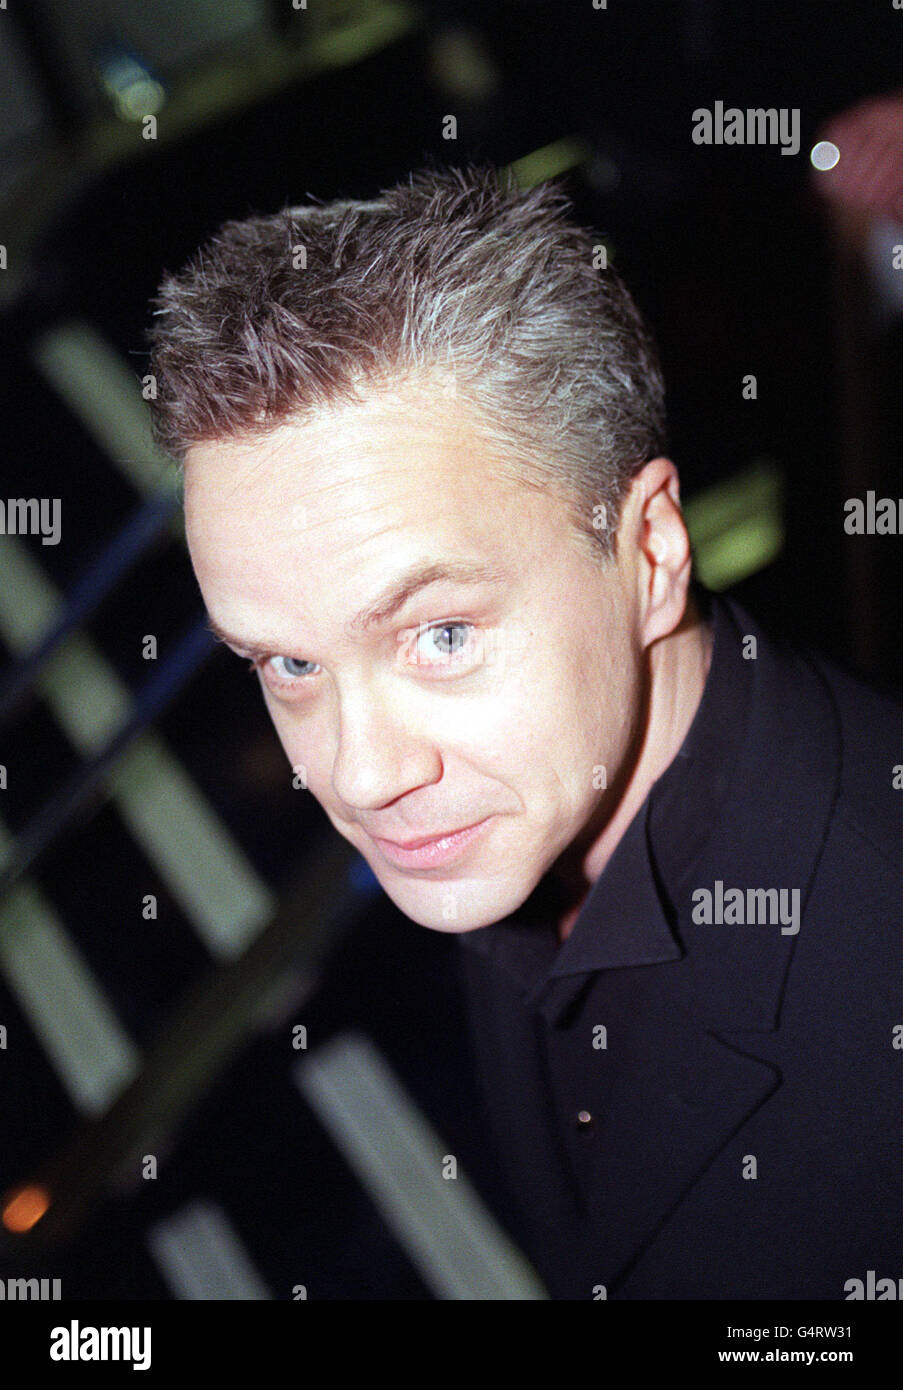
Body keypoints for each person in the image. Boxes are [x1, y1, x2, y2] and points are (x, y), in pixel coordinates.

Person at [147, 164, 903, 1299]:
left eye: (440, 633)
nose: (361, 773)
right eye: (290, 663)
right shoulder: (522, 808)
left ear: (649, 551)